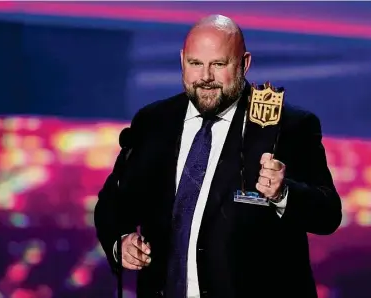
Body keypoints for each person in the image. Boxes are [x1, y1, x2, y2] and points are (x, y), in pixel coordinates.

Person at [94, 14, 342, 298]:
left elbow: (328, 214)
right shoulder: (154, 122)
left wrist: (283, 193)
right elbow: (113, 202)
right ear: (182, 60)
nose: (205, 78)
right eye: (195, 64)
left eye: (218, 64)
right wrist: (121, 242)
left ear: (244, 64)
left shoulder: (289, 127)